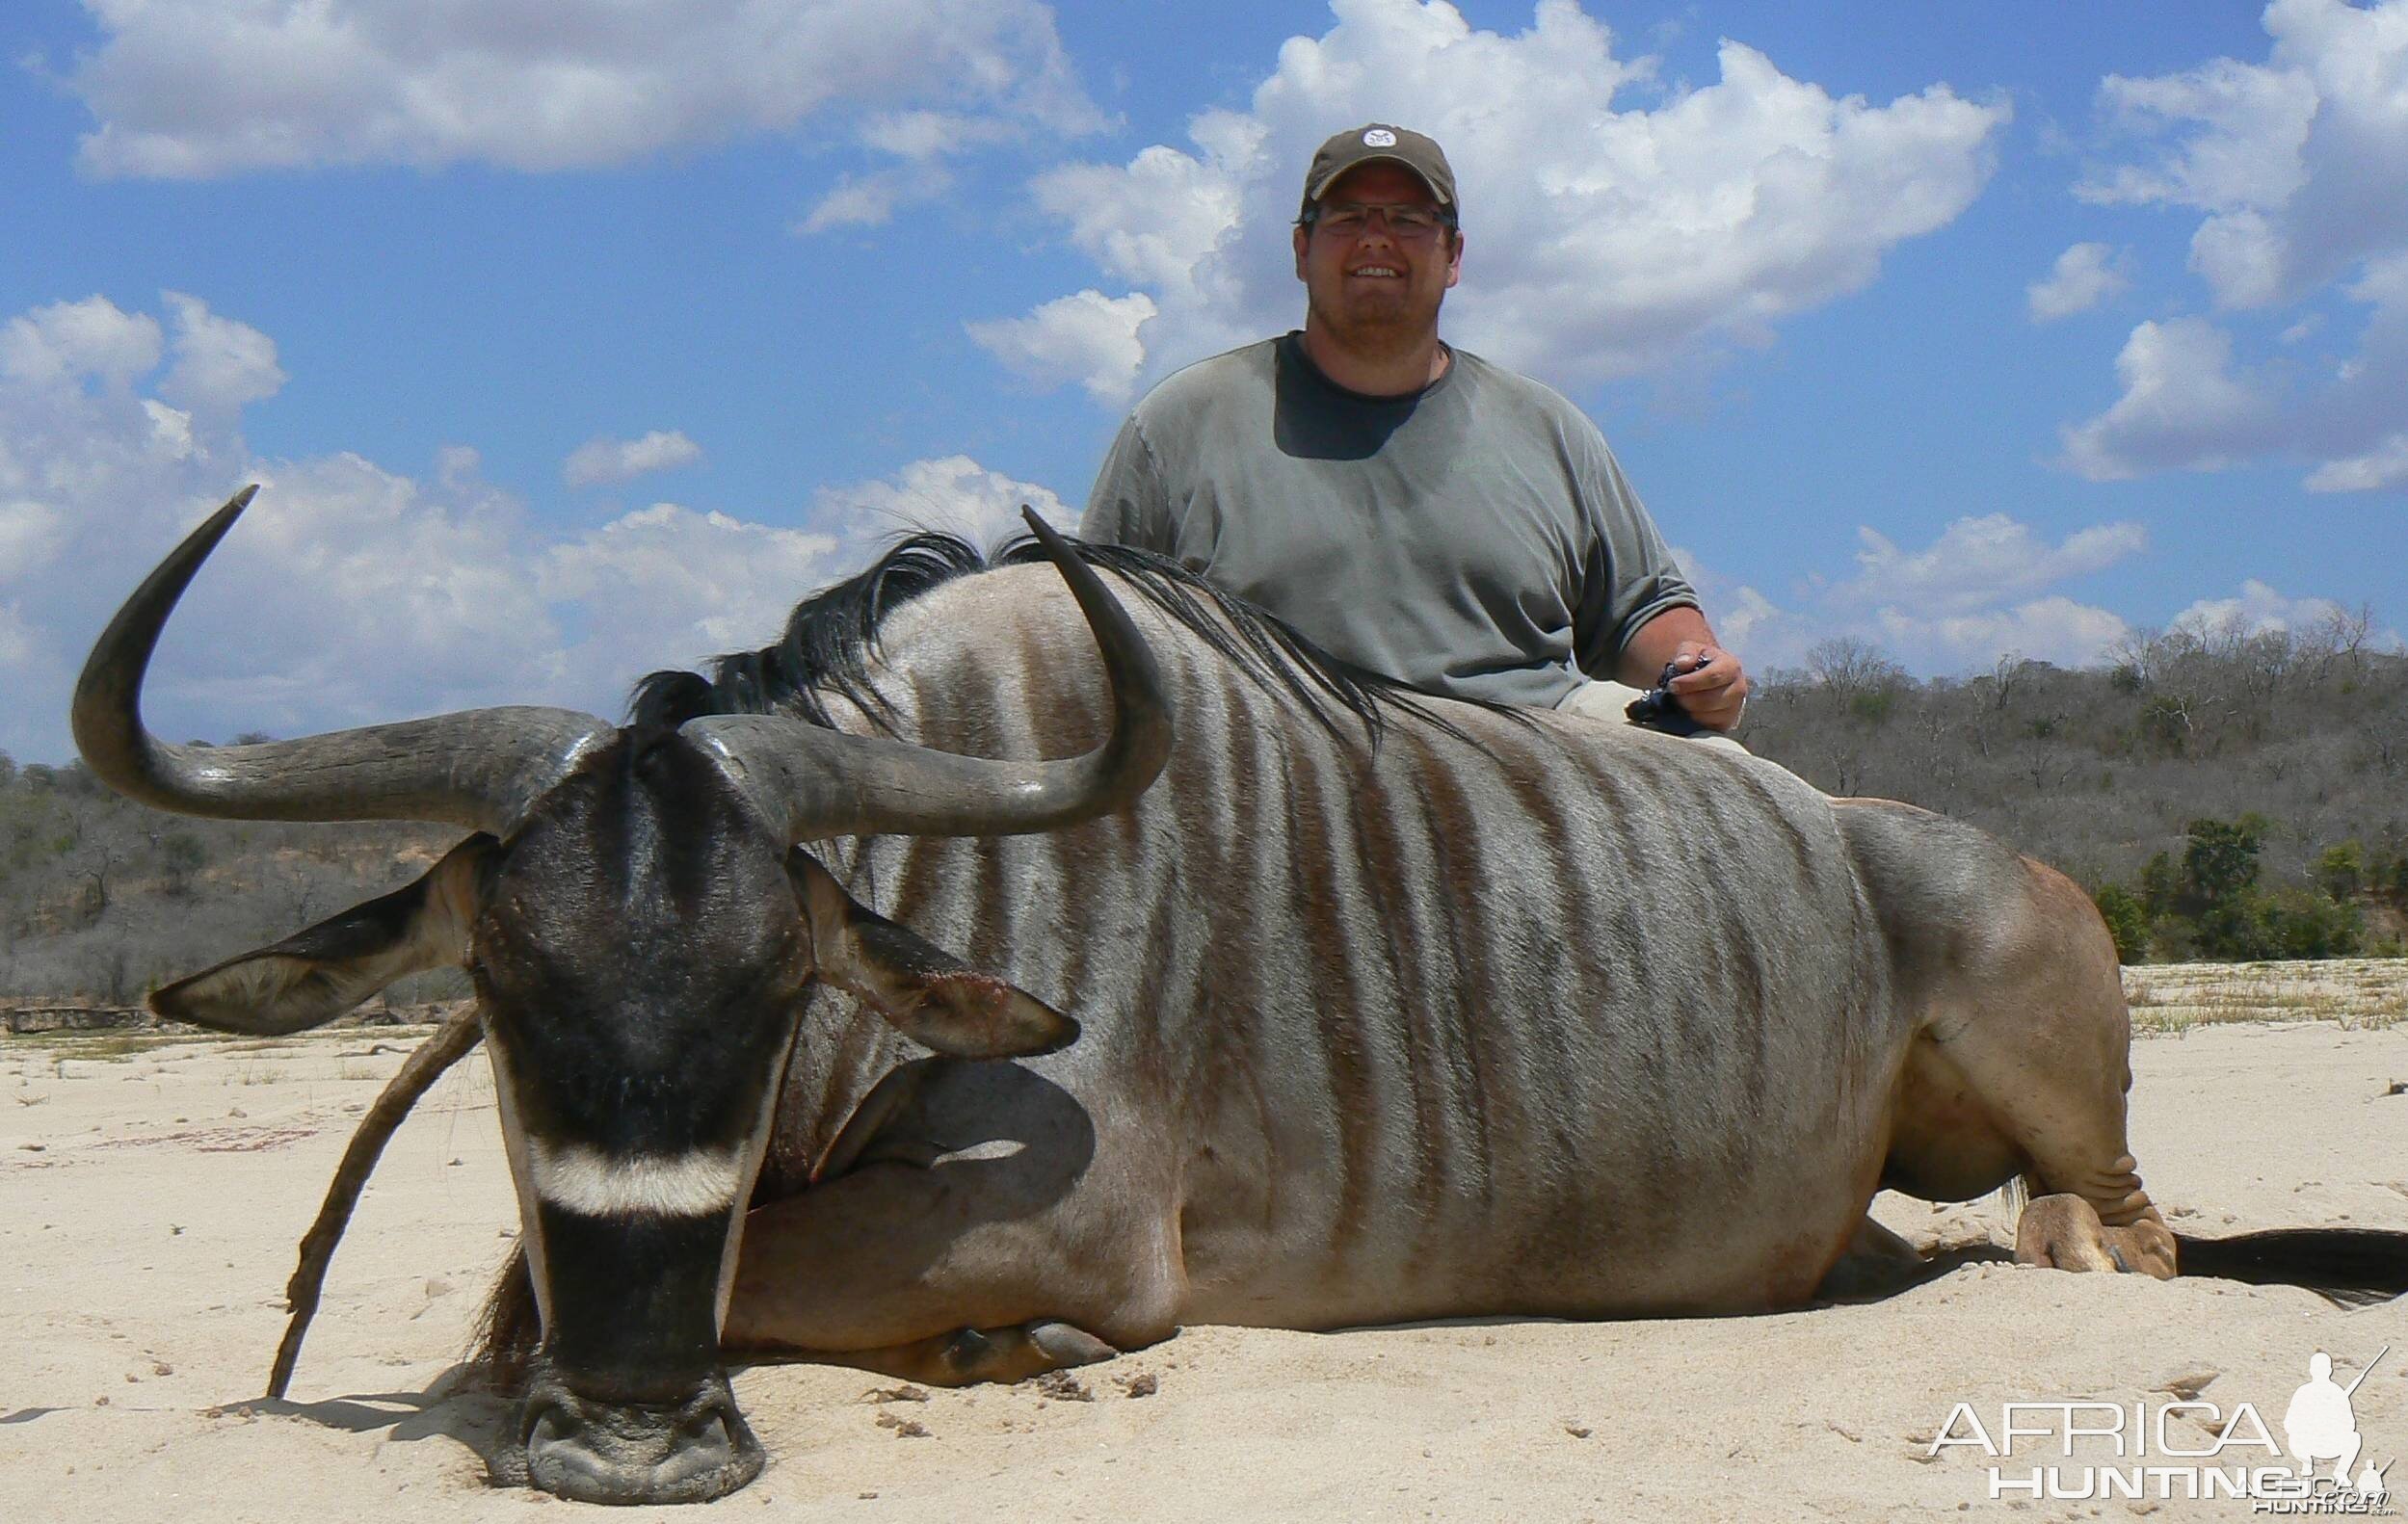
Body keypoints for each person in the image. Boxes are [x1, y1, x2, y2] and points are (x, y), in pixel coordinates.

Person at [1080, 122, 1749, 739]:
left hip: (1535, 753)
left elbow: (1640, 607)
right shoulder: (1178, 423)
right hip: (1273, 765)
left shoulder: (1551, 428)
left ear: (1453, 255)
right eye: (1347, 219)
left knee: (1723, 773)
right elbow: (1091, 632)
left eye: (1407, 219)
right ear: (1301, 249)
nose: (1377, 238)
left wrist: (1696, 672)